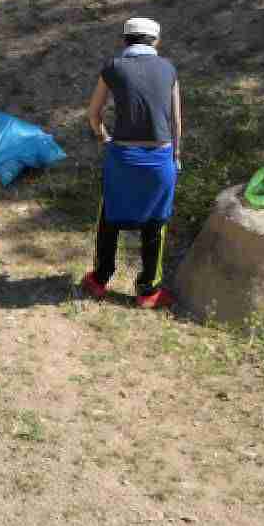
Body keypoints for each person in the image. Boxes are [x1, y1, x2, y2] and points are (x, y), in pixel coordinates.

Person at [82, 17, 182, 310]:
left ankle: (99, 280)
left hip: (122, 158)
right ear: (156, 41)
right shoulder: (168, 69)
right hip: (159, 159)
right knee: (156, 222)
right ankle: (148, 291)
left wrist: (106, 140)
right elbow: (176, 121)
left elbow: (93, 115)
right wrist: (175, 157)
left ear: (125, 41)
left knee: (109, 218)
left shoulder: (113, 67)